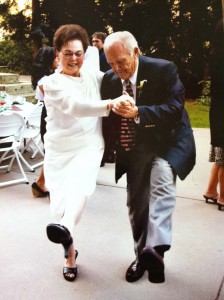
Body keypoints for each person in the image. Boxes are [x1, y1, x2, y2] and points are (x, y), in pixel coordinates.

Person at [101, 31, 196, 283]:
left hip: (168, 140)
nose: (117, 68)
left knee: (163, 180)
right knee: (137, 204)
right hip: (135, 147)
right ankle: (141, 256)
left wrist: (137, 112)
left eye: (121, 62)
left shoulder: (164, 69)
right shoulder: (110, 80)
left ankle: (155, 250)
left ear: (136, 52)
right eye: (110, 63)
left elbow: (175, 110)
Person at [42, 24, 132, 282]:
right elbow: (75, 106)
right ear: (57, 54)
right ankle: (70, 253)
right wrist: (109, 105)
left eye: (78, 53)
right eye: (67, 53)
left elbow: (120, 78)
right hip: (59, 151)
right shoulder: (51, 83)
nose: (73, 58)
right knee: (61, 209)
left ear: (86, 53)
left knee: (80, 186)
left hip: (89, 146)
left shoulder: (95, 75)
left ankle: (66, 229)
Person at [31, 46, 59, 197]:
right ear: (49, 60)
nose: (59, 59)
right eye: (56, 57)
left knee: (52, 152)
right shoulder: (44, 80)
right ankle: (44, 184)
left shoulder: (50, 76)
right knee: (52, 151)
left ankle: (40, 184)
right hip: (49, 115)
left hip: (51, 113)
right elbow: (54, 99)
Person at [203, 19, 224, 211]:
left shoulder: (215, 55)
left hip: (217, 108)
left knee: (221, 154)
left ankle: (211, 190)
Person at [92, 31, 115, 165]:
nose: (94, 44)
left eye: (97, 41)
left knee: (108, 123)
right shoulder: (94, 55)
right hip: (100, 90)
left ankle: (108, 153)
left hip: (107, 90)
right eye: (93, 41)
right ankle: (109, 153)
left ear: (103, 42)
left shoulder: (104, 55)